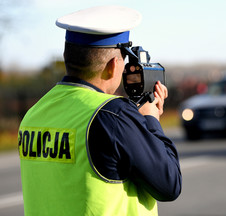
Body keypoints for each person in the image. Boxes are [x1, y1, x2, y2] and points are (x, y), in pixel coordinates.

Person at [18, 5, 182, 216]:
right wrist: (151, 118)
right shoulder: (112, 114)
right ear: (114, 64)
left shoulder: (34, 113)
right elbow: (169, 184)